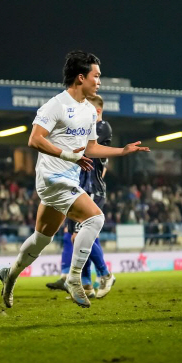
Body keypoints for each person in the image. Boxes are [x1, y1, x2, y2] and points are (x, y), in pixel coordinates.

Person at [0, 51, 150, 309]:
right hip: (51, 178)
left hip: (67, 180)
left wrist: (122, 151)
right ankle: (74, 277)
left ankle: (9, 275)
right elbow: (34, 139)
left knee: (41, 239)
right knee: (95, 217)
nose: (99, 81)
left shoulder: (90, 111)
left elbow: (90, 148)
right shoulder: (55, 105)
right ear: (81, 77)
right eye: (96, 76)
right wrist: (70, 156)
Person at [46, 94, 116, 298]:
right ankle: (86, 285)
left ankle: (105, 274)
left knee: (79, 236)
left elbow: (83, 147)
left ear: (98, 111)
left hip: (91, 189)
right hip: (76, 189)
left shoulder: (103, 128)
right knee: (76, 237)